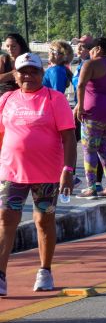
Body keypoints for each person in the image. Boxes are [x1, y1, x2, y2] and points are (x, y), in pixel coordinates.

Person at [0, 53, 76, 296]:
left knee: (43, 220)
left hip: (47, 173)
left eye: (34, 71)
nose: (28, 76)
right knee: (6, 219)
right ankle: (0, 275)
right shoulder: (6, 99)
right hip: (12, 172)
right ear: (15, 75)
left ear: (42, 74)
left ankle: (45, 270)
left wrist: (68, 170)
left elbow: (69, 137)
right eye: (23, 71)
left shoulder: (55, 99)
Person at [74, 37, 106, 199]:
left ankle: (91, 187)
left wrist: (80, 106)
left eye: (92, 48)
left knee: (89, 149)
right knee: (105, 150)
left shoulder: (90, 64)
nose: (89, 51)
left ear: (99, 49)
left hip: (94, 112)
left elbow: (81, 85)